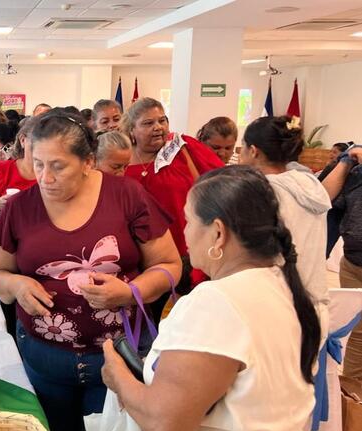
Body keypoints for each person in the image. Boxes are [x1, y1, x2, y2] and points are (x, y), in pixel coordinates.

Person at [102, 166, 321, 431]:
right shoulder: (284, 287)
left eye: (189, 221)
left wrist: (119, 379)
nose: (184, 233)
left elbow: (165, 422)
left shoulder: (217, 304)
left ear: (218, 233)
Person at [0, 111, 181, 431]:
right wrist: (16, 284)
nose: (45, 178)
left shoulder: (127, 196)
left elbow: (170, 265)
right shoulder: (20, 207)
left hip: (117, 357)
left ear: (88, 162)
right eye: (38, 164)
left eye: (58, 166)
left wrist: (129, 292)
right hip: (44, 357)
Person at [122, 97, 223, 304]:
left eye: (162, 120)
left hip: (187, 251)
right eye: (148, 123)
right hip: (140, 256)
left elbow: (222, 183)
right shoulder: (120, 159)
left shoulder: (183, 148)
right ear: (132, 130)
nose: (158, 127)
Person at [239, 115, 330, 338]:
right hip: (314, 304)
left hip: (277, 305)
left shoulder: (262, 192)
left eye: (242, 148)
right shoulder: (310, 185)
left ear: (253, 151)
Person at [322, 145, 362, 379]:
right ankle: (354, 389)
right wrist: (344, 163)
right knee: (357, 333)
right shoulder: (356, 172)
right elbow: (323, 198)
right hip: (353, 263)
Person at [0, 118, 36, 257]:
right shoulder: (5, 168)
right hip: (9, 246)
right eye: (38, 140)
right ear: (23, 140)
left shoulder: (54, 173)